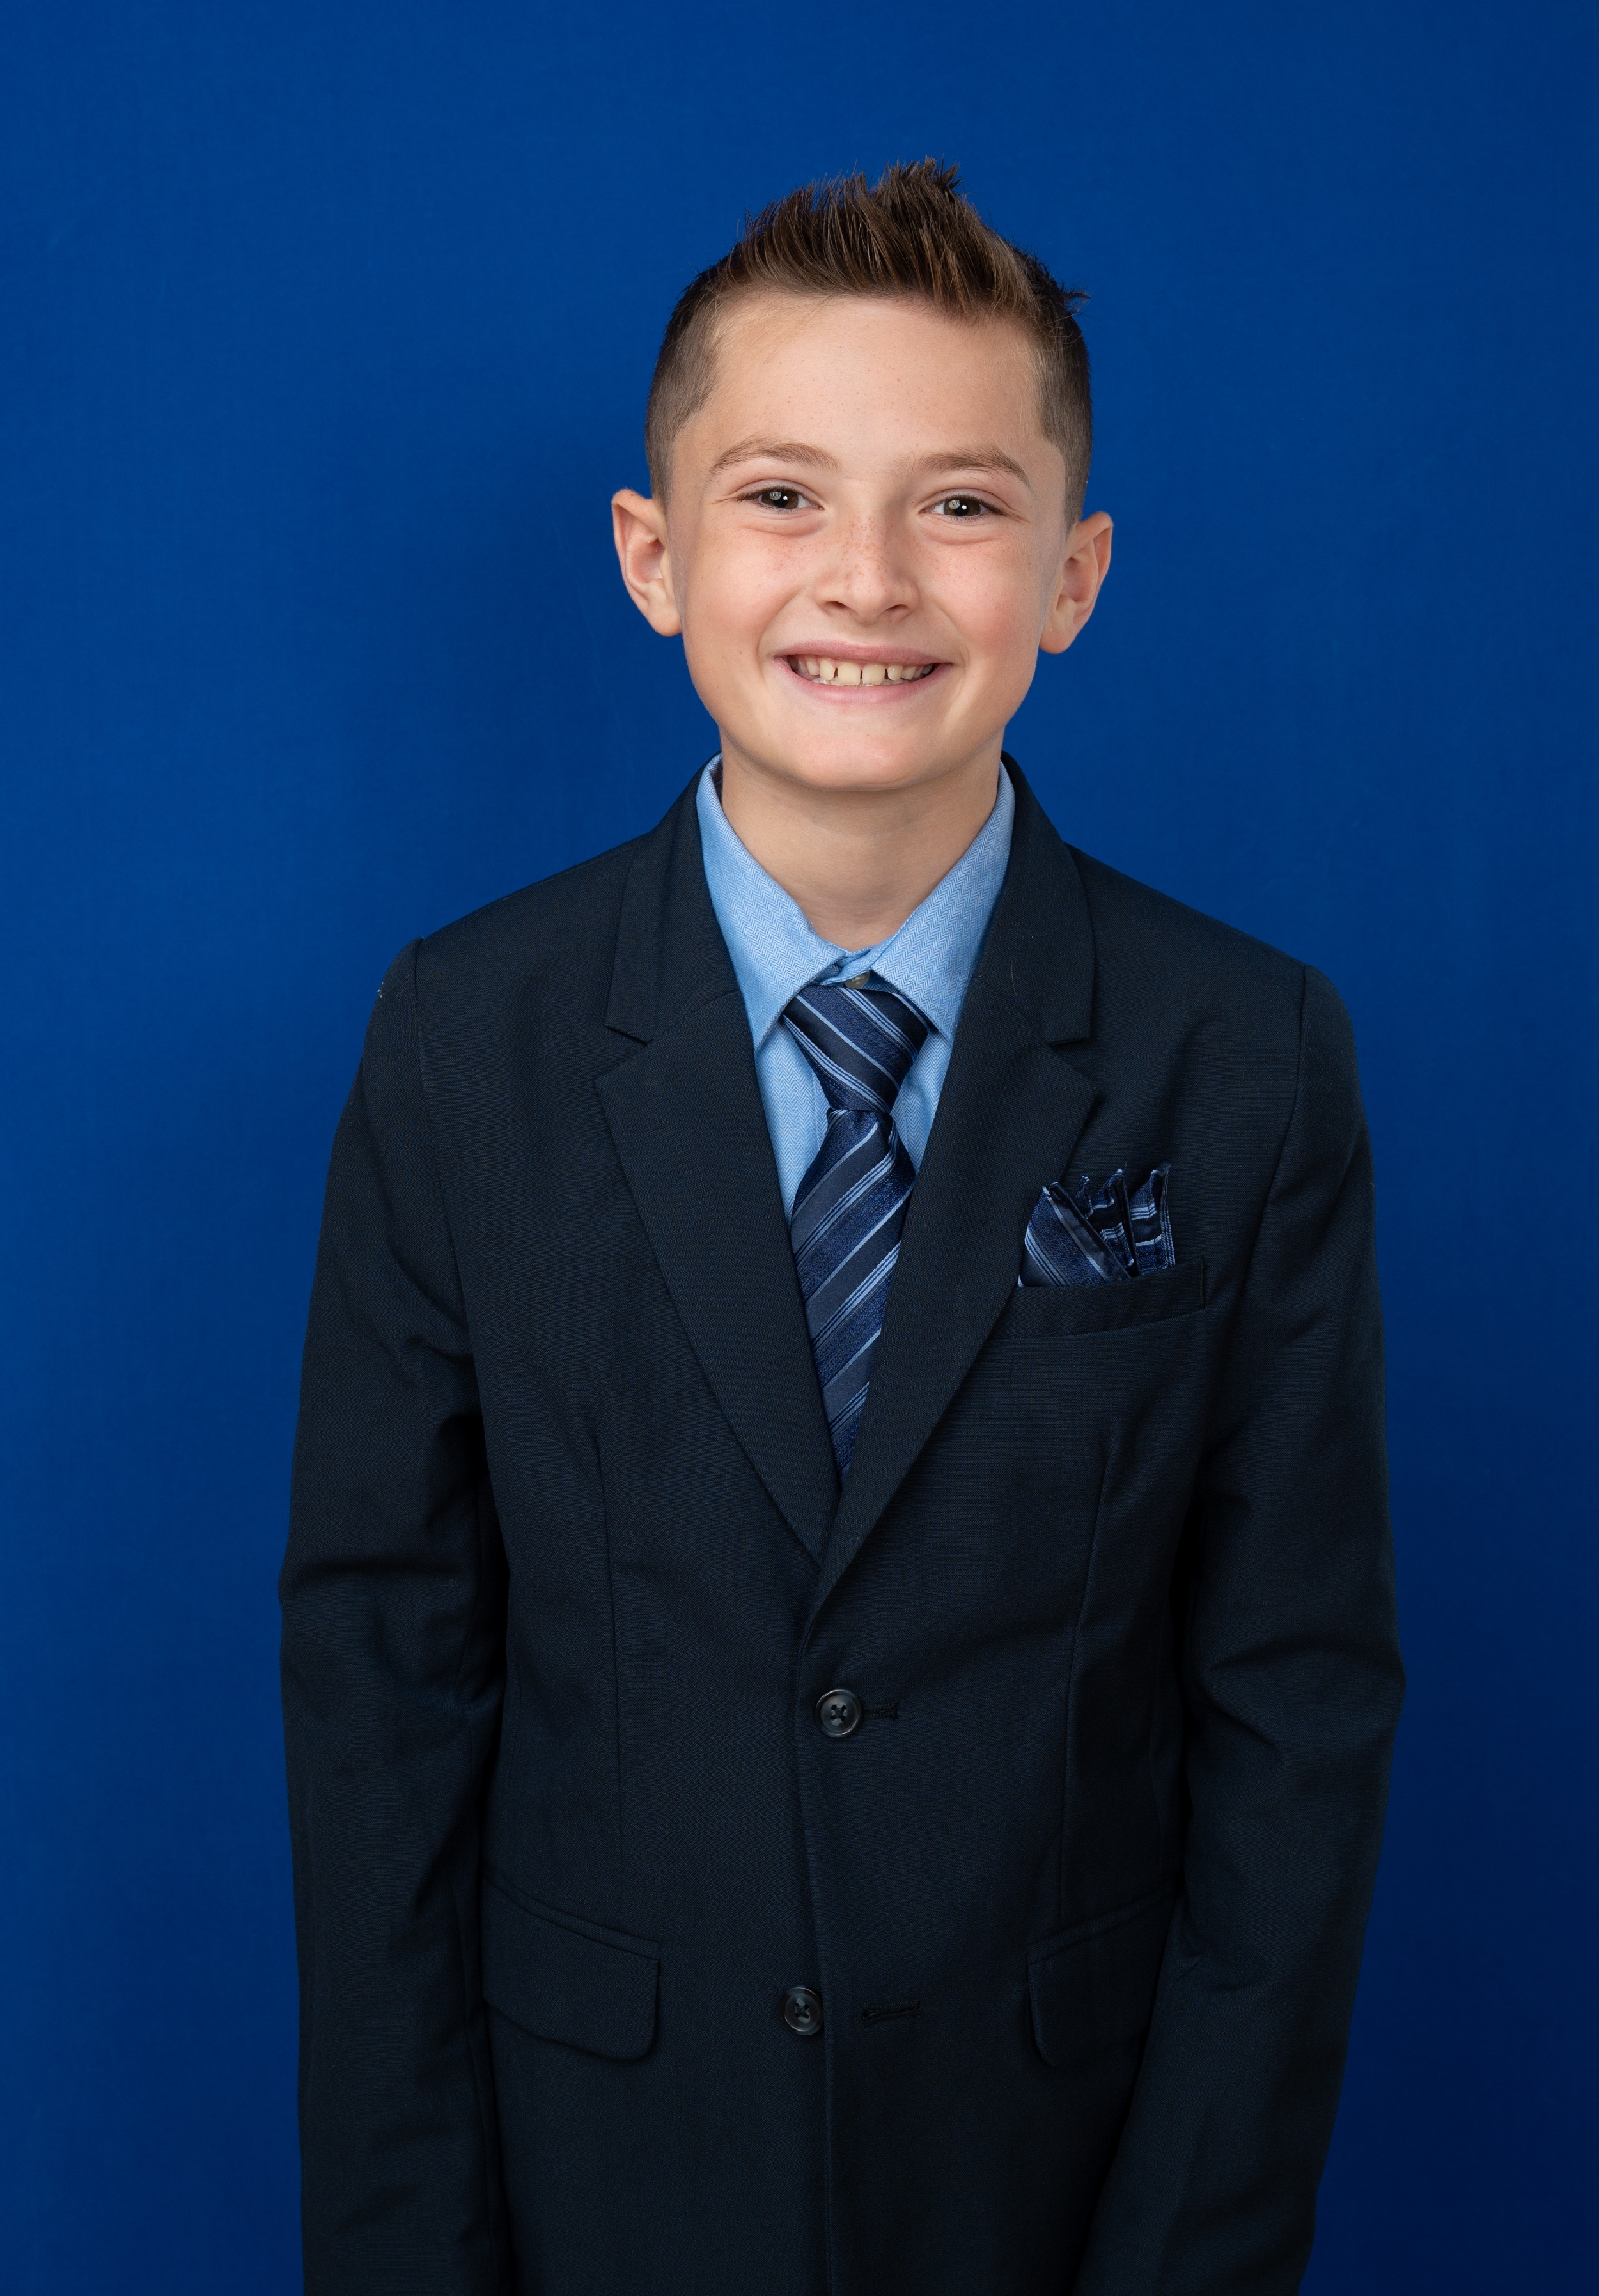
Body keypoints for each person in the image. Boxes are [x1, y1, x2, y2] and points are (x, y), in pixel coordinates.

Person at [279, 160, 1403, 2296]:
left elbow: (1298, 1707)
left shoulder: (1245, 1055)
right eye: (782, 495)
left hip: (1057, 2187)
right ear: (657, 555)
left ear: (1072, 574)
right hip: (603, 2179)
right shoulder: (463, 1040)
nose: (867, 578)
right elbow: (381, 1691)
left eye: (961, 505)